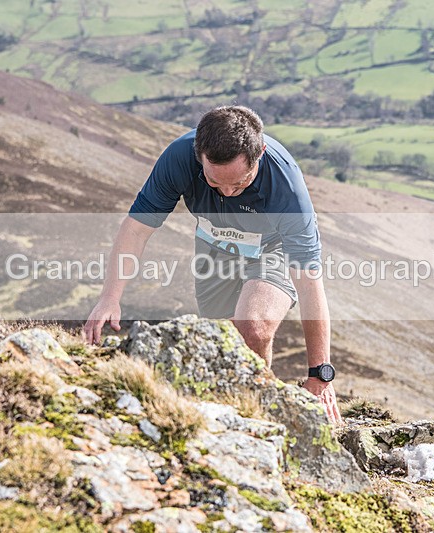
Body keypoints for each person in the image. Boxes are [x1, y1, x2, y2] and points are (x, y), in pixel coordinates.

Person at [83, 106, 341, 424]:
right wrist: (110, 297)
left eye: (241, 182)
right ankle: (227, 414)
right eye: (215, 182)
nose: (229, 192)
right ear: (199, 155)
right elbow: (137, 228)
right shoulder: (178, 158)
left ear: (259, 153)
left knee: (253, 327)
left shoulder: (285, 187)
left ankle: (253, 417)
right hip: (214, 249)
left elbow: (308, 279)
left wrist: (319, 373)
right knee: (221, 344)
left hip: (272, 249)